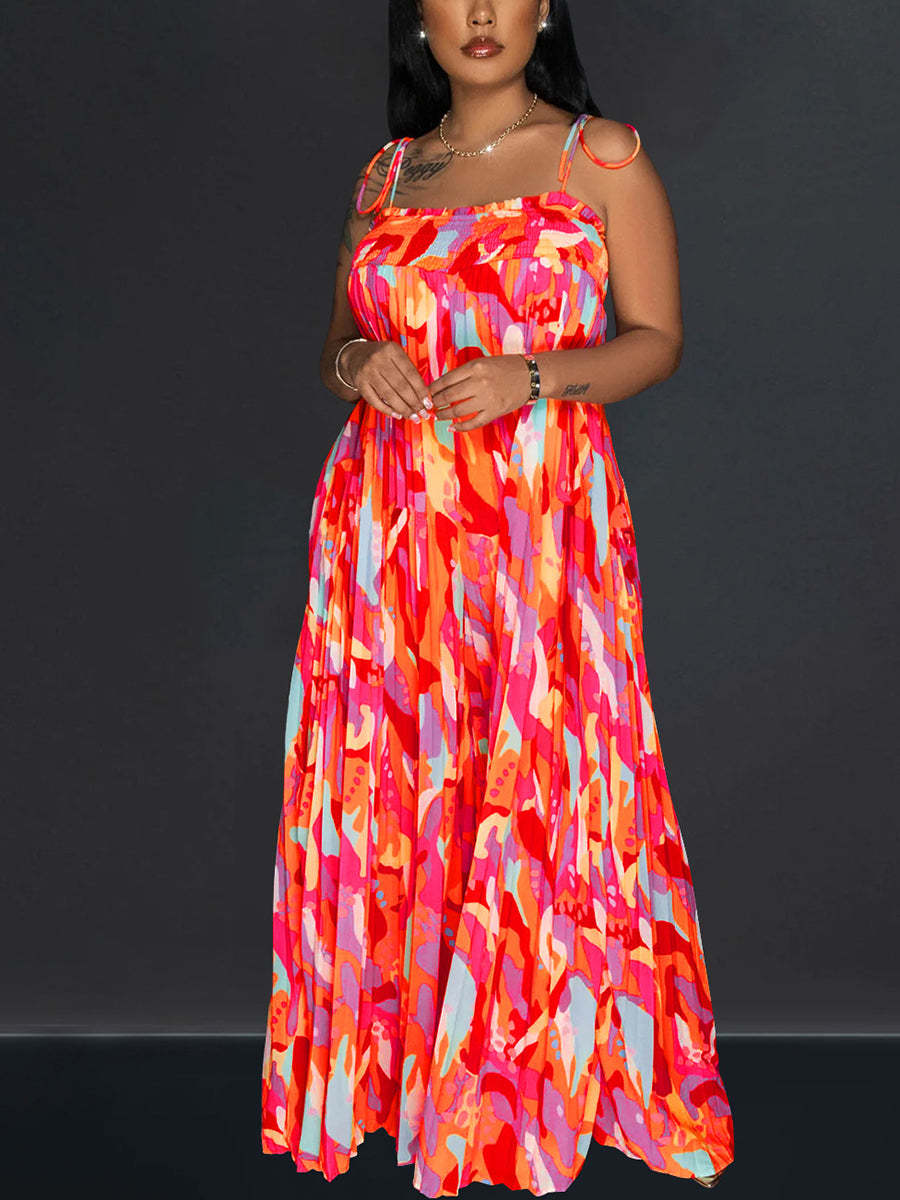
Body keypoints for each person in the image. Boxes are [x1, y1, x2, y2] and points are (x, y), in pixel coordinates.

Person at [261, 1, 735, 1194]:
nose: (480, 11)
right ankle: (405, 1077)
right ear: (418, 20)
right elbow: (335, 350)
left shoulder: (598, 155)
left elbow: (657, 338)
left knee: (537, 781)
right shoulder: (385, 175)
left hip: (537, 525)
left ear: (543, 12)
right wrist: (358, 362)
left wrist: (534, 375)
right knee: (400, 786)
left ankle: (524, 1086)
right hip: (388, 537)